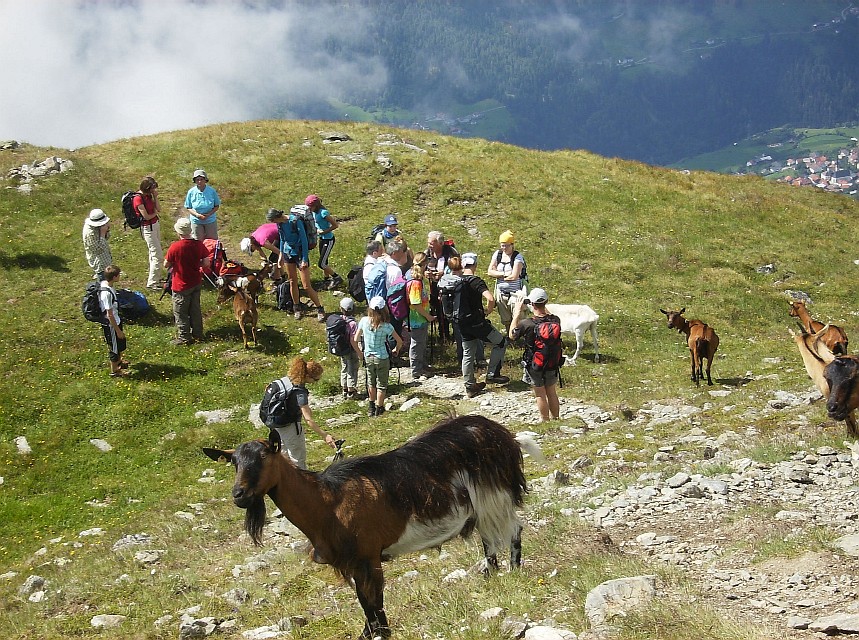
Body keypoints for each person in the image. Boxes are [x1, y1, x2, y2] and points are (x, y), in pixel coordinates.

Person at [441, 254, 509, 398]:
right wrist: (488, 310)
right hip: (477, 323)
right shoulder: (475, 281)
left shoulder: (455, 281)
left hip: (462, 323)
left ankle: (470, 386)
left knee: (468, 353)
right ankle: (492, 374)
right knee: (501, 343)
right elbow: (490, 298)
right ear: (475, 265)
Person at [271, 357, 338, 470]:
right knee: (298, 460)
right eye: (315, 380)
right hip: (290, 427)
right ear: (307, 376)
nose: (315, 382)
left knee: (283, 458)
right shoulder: (299, 392)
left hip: (275, 425)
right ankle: (300, 485)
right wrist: (325, 435)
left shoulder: (285, 381)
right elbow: (308, 420)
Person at [509, 288, 561, 421]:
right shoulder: (556, 320)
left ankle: (545, 419)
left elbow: (512, 335)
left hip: (535, 363)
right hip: (552, 362)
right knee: (552, 392)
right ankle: (556, 418)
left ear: (531, 304)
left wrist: (517, 313)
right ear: (546, 302)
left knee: (540, 394)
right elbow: (547, 314)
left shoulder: (527, 324)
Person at [272, 208, 325, 322]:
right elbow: (282, 239)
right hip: (288, 253)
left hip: (300, 253)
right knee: (292, 281)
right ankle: (297, 307)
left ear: (277, 217)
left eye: (273, 220)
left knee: (306, 285)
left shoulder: (295, 221)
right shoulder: (279, 224)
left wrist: (305, 259)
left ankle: (320, 308)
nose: (273, 223)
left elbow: (304, 240)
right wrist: (281, 254)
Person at [164, 218, 210, 345]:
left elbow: (166, 264)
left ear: (179, 232)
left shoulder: (175, 247)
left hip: (180, 284)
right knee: (195, 309)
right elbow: (206, 263)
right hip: (196, 281)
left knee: (180, 312)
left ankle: (184, 337)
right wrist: (196, 264)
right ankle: (198, 334)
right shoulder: (199, 244)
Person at [355, 296, 403, 417]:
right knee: (382, 384)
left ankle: (371, 407)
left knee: (371, 382)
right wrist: (395, 350)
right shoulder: (387, 326)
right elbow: (400, 341)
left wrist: (360, 352)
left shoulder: (364, 321)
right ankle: (379, 408)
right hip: (382, 357)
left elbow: (356, 339)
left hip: (368, 356)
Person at [487, 229, 527, 334]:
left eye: (506, 245)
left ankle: (518, 335)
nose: (504, 248)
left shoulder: (518, 257)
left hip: (515, 293)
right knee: (505, 318)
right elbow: (490, 271)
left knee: (517, 316)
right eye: (502, 245)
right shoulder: (498, 254)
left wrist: (498, 274)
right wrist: (503, 275)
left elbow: (514, 276)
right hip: (501, 293)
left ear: (512, 245)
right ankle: (510, 335)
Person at [406, 252, 436, 380]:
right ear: (424, 264)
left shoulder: (412, 276)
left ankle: (421, 365)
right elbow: (415, 303)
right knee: (417, 343)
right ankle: (416, 370)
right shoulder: (416, 283)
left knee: (421, 343)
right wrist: (428, 316)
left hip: (419, 318)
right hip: (417, 318)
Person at [426, 230, 459, 344]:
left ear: (440, 243)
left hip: (451, 288)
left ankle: (457, 336)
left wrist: (444, 275)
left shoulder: (451, 253)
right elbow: (422, 265)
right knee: (438, 310)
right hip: (434, 287)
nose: (429, 245)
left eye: (432, 243)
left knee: (451, 311)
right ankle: (443, 336)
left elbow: (457, 269)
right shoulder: (428, 253)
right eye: (429, 242)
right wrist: (426, 273)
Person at [306, 194, 343, 290]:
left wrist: (324, 231)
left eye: (310, 207)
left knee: (321, 264)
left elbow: (335, 225)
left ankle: (336, 277)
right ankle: (326, 279)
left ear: (316, 205)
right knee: (324, 261)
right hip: (322, 239)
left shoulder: (323, 213)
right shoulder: (313, 212)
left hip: (328, 239)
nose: (309, 209)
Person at [132, 176, 163, 290]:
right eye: (153, 189)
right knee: (157, 255)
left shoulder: (149, 195)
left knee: (153, 254)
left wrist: (155, 197)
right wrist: (155, 212)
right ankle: (152, 283)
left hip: (155, 225)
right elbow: (146, 216)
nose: (154, 190)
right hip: (147, 228)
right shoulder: (138, 199)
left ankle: (156, 278)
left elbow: (158, 209)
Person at [98, 264, 129, 378]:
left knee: (120, 344)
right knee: (114, 348)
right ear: (114, 277)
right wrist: (118, 331)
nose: (120, 276)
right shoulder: (106, 294)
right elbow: (109, 315)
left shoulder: (107, 284)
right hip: (111, 325)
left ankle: (119, 362)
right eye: (119, 275)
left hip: (117, 320)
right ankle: (115, 371)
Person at [241, 212, 283, 282]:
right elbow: (260, 251)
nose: (253, 251)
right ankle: (282, 275)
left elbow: (279, 253)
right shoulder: (254, 237)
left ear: (251, 245)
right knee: (272, 259)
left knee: (274, 261)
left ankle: (278, 281)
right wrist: (265, 261)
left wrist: (278, 263)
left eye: (252, 250)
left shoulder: (263, 242)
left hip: (284, 233)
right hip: (278, 231)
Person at [184, 169, 220, 240]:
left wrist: (209, 214)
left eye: (201, 179)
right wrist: (197, 215)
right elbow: (188, 207)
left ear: (205, 180)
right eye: (197, 180)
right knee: (197, 240)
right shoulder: (191, 192)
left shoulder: (212, 191)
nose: (199, 181)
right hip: (196, 221)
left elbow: (216, 205)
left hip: (210, 220)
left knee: (212, 240)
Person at [336, 297, 361, 399]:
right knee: (352, 368)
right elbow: (353, 339)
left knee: (344, 367)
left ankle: (344, 388)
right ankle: (351, 390)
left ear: (341, 309)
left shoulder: (339, 320)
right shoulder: (353, 323)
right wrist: (359, 352)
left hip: (341, 349)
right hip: (350, 349)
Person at [82, 208, 112, 281]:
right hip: (100, 263)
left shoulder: (99, 227)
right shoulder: (90, 234)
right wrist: (102, 233)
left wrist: (107, 230)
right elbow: (98, 250)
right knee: (103, 283)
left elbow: (106, 238)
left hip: (105, 259)